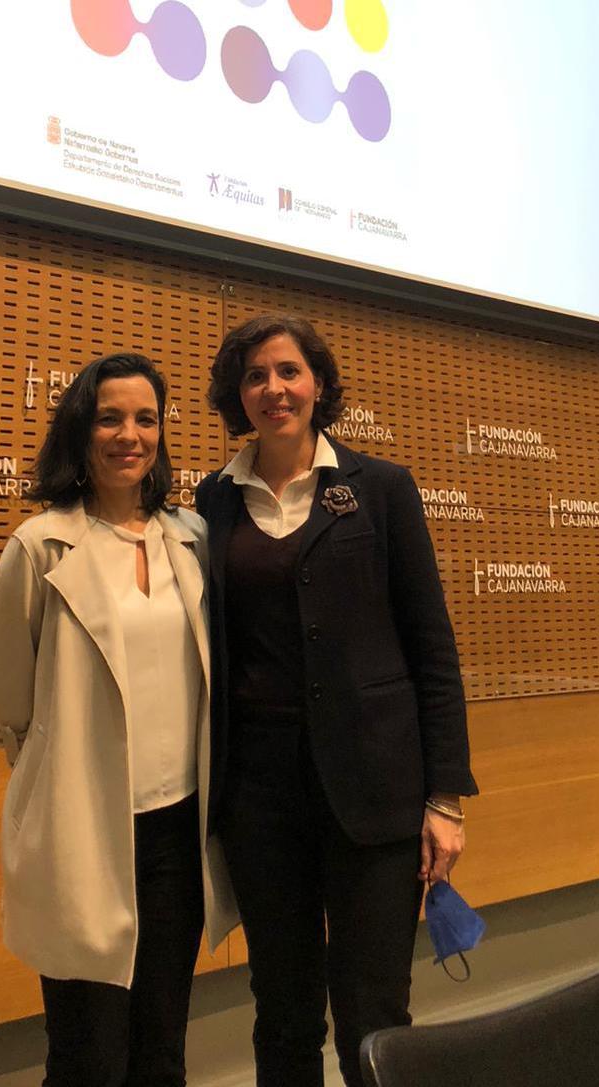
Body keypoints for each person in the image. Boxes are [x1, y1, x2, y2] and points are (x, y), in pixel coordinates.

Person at [195, 315, 477, 1087]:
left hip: (375, 791)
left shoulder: (381, 487)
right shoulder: (213, 499)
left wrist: (444, 795)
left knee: (372, 1011)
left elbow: (431, 645)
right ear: (237, 394)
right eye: (255, 375)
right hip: (260, 799)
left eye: (288, 371)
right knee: (282, 1010)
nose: (273, 388)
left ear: (318, 384)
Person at [0, 352, 236, 1087]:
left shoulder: (192, 537)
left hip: (177, 833)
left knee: (161, 1048)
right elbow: (9, 700)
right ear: (80, 429)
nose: (130, 435)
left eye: (146, 419)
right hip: (85, 834)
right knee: (88, 1057)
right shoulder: (40, 545)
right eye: (110, 418)